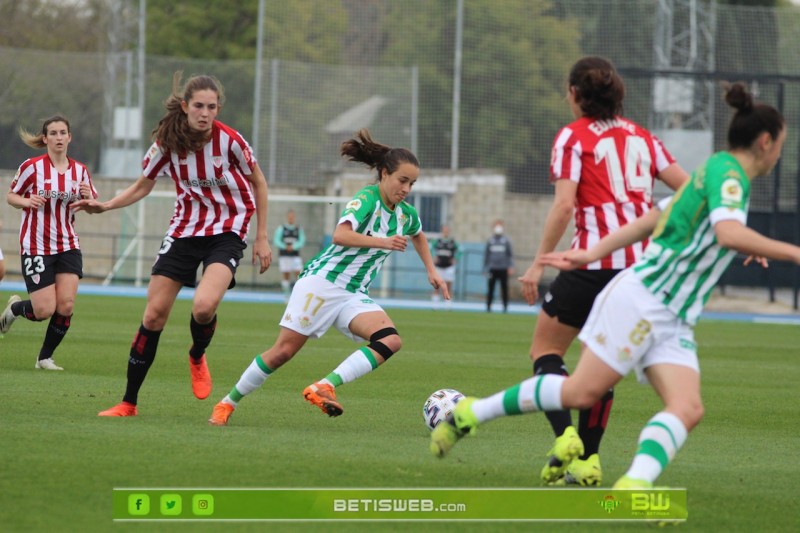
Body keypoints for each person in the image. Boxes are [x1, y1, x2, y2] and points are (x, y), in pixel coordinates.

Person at [431, 82, 800, 491]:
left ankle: (634, 486)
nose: (781, 152)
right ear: (766, 142)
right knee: (579, 393)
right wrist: (793, 252)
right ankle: (471, 413)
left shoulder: (714, 170)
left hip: (672, 315)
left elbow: (654, 217)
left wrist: (592, 253)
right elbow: (728, 233)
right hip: (645, 301)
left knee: (688, 407)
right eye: (782, 143)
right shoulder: (730, 178)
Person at [517, 56, 689, 486]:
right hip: (639, 272)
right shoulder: (644, 138)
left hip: (591, 263)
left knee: (545, 351)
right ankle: (589, 462)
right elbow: (689, 191)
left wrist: (538, 262)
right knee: (603, 360)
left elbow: (563, 205)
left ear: (575, 94)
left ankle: (566, 438)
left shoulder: (573, 137)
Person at [208, 128, 449, 426]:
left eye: (412, 183)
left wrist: (432, 270)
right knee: (282, 352)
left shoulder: (405, 214)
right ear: (385, 174)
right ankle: (226, 403)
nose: (407, 189)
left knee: (390, 340)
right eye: (402, 180)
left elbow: (419, 236)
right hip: (322, 283)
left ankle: (325, 385)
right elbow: (340, 235)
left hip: (353, 293)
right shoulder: (367, 199)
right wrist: (383, 242)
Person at [72, 72, 271, 416]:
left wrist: (262, 237)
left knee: (203, 307)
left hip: (228, 231)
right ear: (185, 106)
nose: (205, 113)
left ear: (217, 108)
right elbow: (142, 185)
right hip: (184, 231)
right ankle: (128, 402)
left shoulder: (230, 141)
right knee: (153, 315)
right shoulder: (167, 144)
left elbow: (259, 183)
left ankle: (196, 354)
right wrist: (105, 205)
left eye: (211, 107)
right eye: (198, 106)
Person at [0, 115, 97, 369]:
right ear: (45, 138)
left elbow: (93, 207)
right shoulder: (32, 167)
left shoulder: (80, 171)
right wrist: (26, 201)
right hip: (36, 246)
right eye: (53, 133)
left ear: (69, 137)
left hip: (68, 244)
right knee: (43, 310)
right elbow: (11, 196)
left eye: (62, 132)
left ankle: (44, 358)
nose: (58, 137)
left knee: (65, 304)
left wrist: (88, 199)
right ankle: (15, 309)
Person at [274, 209, 306, 301]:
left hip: (295, 255)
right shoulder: (281, 228)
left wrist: (294, 246)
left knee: (299, 274)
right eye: (289, 216)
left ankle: (298, 295)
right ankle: (286, 296)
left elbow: (302, 240)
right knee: (286, 275)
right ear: (287, 217)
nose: (291, 218)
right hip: (284, 256)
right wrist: (285, 246)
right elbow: (277, 240)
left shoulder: (298, 228)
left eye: (292, 216)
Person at [484, 219, 513, 312]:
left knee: (504, 288)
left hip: (503, 268)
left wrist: (510, 266)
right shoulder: (490, 240)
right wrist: (485, 268)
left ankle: (505, 306)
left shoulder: (506, 240)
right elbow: (486, 255)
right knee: (490, 288)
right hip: (492, 268)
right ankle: (488, 306)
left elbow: (510, 254)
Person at [430, 224, 460, 308]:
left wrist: (456, 259)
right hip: (438, 266)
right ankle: (435, 303)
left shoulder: (452, 242)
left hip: (449, 266)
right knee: (436, 285)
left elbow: (461, 250)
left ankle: (448, 303)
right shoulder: (438, 241)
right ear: (442, 231)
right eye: (444, 230)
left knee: (448, 285)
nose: (446, 231)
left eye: (447, 230)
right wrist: (433, 257)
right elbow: (430, 248)